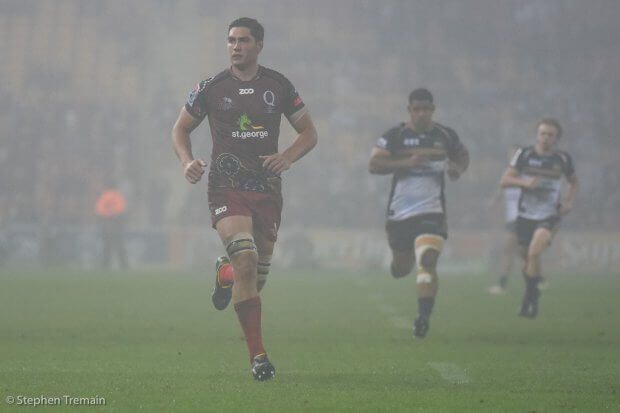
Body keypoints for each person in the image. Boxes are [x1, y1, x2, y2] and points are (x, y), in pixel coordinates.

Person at [171, 17, 317, 380]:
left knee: (254, 277)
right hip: (225, 186)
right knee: (247, 259)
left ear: (259, 45)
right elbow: (180, 129)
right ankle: (259, 357)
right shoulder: (210, 87)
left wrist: (287, 156)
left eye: (244, 40)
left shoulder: (279, 85)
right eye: (231, 40)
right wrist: (187, 161)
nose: (236, 46)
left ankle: (226, 273)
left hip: (266, 190)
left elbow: (309, 133)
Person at [368, 88, 469, 338]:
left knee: (427, 261)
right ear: (410, 110)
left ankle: (423, 317)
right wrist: (405, 163)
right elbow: (374, 164)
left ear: (433, 109)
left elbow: (462, 155)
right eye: (417, 109)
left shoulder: (445, 135)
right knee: (402, 269)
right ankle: (399, 264)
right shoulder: (396, 136)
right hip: (400, 214)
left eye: (426, 109)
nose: (422, 113)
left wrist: (457, 169)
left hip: (432, 211)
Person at [500, 118, 578, 318]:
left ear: (557, 138)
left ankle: (530, 299)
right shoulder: (525, 154)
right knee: (525, 258)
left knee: (534, 254)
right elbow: (505, 180)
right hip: (525, 215)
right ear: (537, 135)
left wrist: (568, 201)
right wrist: (525, 182)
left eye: (550, 135)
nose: (546, 138)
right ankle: (532, 292)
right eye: (543, 134)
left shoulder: (563, 159)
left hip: (549, 215)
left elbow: (574, 182)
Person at [487, 146, 521, 295]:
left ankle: (502, 285)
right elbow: (499, 194)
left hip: (525, 218)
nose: (513, 157)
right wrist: (493, 202)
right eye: (511, 155)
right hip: (512, 220)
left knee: (511, 251)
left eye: (516, 154)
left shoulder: (526, 175)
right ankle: (538, 280)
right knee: (517, 252)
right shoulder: (507, 175)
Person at [95, 186, 128, 270]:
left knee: (107, 247)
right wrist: (115, 215)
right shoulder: (118, 196)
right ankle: (123, 265)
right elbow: (121, 209)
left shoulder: (104, 196)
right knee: (119, 246)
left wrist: (106, 216)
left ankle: (105, 265)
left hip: (107, 223)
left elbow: (99, 210)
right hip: (116, 223)